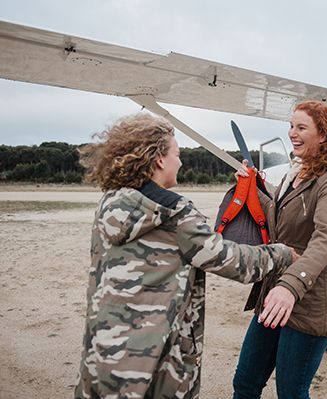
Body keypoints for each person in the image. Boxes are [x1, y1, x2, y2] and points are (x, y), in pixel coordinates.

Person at [74, 113, 297, 398]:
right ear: (159, 160)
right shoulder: (176, 213)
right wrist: (282, 254)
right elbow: (233, 262)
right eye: (176, 154)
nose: (180, 162)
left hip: (103, 356)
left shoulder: (110, 202)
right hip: (153, 366)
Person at [232, 101, 327, 398]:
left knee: (292, 392)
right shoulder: (297, 172)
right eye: (291, 126)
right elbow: (279, 217)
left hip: (309, 300)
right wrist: (252, 188)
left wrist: (291, 287)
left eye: (301, 127)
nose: (292, 133)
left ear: (323, 135)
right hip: (274, 294)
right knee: (245, 382)